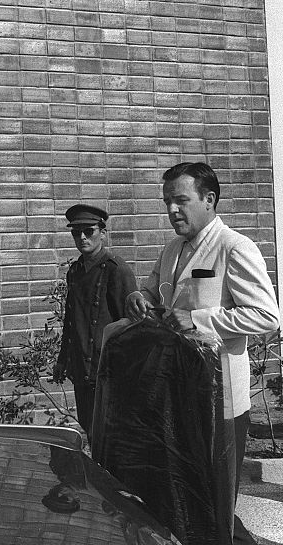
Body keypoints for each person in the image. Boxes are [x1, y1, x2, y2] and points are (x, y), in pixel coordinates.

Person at [125, 161, 280, 545]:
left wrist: (198, 319)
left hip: (220, 400)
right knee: (192, 497)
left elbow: (266, 316)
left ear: (208, 200)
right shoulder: (172, 248)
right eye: (167, 202)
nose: (172, 210)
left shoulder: (235, 247)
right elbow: (155, 292)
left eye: (181, 200)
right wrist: (138, 297)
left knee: (215, 498)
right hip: (178, 396)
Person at [52, 204, 137, 438]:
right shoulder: (75, 271)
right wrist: (62, 360)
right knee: (89, 427)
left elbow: (132, 326)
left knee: (112, 435)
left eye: (88, 231)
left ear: (103, 232)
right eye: (76, 232)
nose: (81, 237)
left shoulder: (116, 270)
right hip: (81, 367)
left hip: (108, 370)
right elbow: (71, 320)